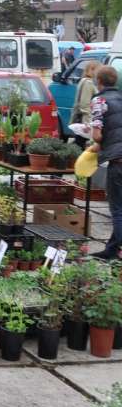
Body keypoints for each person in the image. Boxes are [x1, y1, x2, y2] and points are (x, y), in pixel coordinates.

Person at [89, 65, 122, 260]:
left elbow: (97, 135)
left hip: (118, 161)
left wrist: (95, 143)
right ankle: (111, 250)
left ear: (98, 82)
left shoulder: (99, 100)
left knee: (117, 210)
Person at [71, 61, 101, 145]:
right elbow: (85, 104)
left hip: (83, 121)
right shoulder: (88, 83)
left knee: (79, 144)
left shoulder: (84, 81)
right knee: (81, 145)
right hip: (85, 122)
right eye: (98, 70)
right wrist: (88, 123)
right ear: (92, 70)